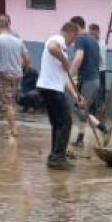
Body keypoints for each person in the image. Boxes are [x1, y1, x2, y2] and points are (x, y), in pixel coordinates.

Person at [37, 21, 84, 170]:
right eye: (74, 38)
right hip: (51, 89)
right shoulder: (58, 39)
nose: (73, 42)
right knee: (66, 122)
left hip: (50, 87)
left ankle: (54, 156)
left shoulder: (62, 47)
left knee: (58, 124)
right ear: (70, 33)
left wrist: (77, 96)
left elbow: (65, 80)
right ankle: (58, 158)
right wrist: (64, 60)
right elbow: (51, 47)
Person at [0, 15, 30, 138]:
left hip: (3, 75)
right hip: (17, 75)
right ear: (8, 26)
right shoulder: (18, 40)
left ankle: (13, 129)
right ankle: (10, 127)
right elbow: (27, 59)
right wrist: (21, 68)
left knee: (6, 103)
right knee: (11, 101)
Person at [69, 16, 109, 148]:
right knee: (81, 109)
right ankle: (80, 139)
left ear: (76, 26)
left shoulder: (80, 39)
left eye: (71, 28)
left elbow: (78, 57)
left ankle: (104, 129)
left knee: (81, 109)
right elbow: (99, 60)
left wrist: (70, 74)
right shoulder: (93, 40)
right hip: (94, 79)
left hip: (88, 80)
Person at [88, 23, 107, 113]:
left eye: (93, 33)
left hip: (100, 70)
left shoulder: (102, 43)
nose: (92, 35)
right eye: (90, 33)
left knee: (101, 90)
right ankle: (92, 110)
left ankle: (98, 109)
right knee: (92, 90)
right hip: (92, 70)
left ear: (98, 32)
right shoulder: (91, 42)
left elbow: (100, 58)